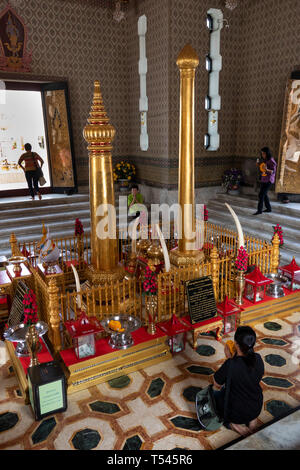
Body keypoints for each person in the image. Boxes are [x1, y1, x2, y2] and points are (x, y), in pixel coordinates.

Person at [212, 325, 264, 437]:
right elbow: (249, 375)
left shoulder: (231, 364)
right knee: (246, 391)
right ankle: (252, 421)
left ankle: (236, 426)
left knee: (214, 395)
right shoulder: (258, 358)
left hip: (235, 413)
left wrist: (228, 359)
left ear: (236, 344)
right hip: (256, 406)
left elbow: (216, 383)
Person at [253, 147, 277, 215]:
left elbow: (273, 171)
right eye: (262, 153)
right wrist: (259, 165)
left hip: (269, 180)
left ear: (267, 153)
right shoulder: (265, 160)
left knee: (261, 195)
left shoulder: (271, 160)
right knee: (264, 194)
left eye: (263, 153)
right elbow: (263, 167)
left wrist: (266, 169)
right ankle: (268, 208)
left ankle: (259, 210)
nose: (262, 155)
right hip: (264, 179)